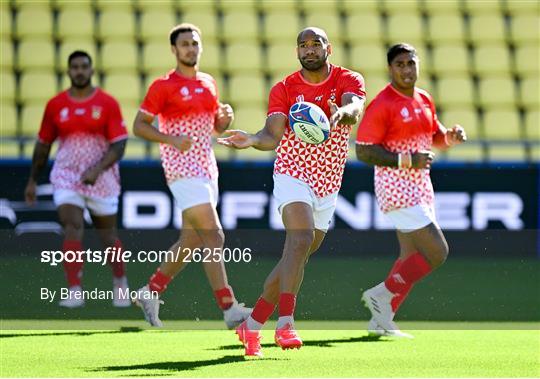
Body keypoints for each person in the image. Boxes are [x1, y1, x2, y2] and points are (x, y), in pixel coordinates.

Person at [218, 27, 366, 357]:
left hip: (328, 182)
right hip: (292, 173)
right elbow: (272, 134)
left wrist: (341, 114)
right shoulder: (284, 88)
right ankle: (285, 323)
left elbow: (354, 108)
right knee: (298, 242)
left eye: (316, 44)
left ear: (329, 48)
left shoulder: (347, 79)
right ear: (297, 51)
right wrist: (254, 140)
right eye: (303, 45)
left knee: (294, 258)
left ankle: (252, 326)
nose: (309, 49)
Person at [131, 23, 251, 329]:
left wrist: (224, 121)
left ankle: (150, 291)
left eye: (194, 43)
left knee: (193, 239)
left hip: (207, 168)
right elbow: (139, 126)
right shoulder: (163, 86)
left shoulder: (208, 82)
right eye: (184, 44)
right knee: (214, 235)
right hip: (181, 168)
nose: (190, 48)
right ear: (174, 49)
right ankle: (230, 308)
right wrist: (170, 139)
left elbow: (214, 127)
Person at [356, 43, 467, 338]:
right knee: (437, 252)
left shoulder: (424, 99)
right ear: (390, 69)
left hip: (420, 186)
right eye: (400, 64)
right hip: (396, 188)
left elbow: (434, 137)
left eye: (411, 63)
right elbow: (364, 152)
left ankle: (382, 319)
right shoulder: (382, 104)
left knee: (409, 256)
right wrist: (407, 160)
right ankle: (382, 294)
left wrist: (451, 137)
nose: (407, 70)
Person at [24, 50, 130, 308]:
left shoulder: (107, 103)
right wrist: (32, 180)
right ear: (69, 71)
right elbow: (43, 145)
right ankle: (74, 290)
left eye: (84, 66)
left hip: (102, 178)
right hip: (66, 175)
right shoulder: (56, 105)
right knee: (72, 226)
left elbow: (119, 145)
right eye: (75, 67)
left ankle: (120, 282)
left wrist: (96, 170)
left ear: (91, 71)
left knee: (108, 236)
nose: (80, 71)